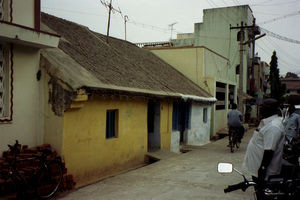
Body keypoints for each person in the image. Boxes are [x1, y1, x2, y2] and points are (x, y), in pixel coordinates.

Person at [243, 98, 285, 200]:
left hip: (265, 175)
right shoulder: (266, 123)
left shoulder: (273, 127)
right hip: (258, 171)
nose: (261, 108)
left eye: (264, 106)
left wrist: (261, 173)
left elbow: (269, 151)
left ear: (272, 109)